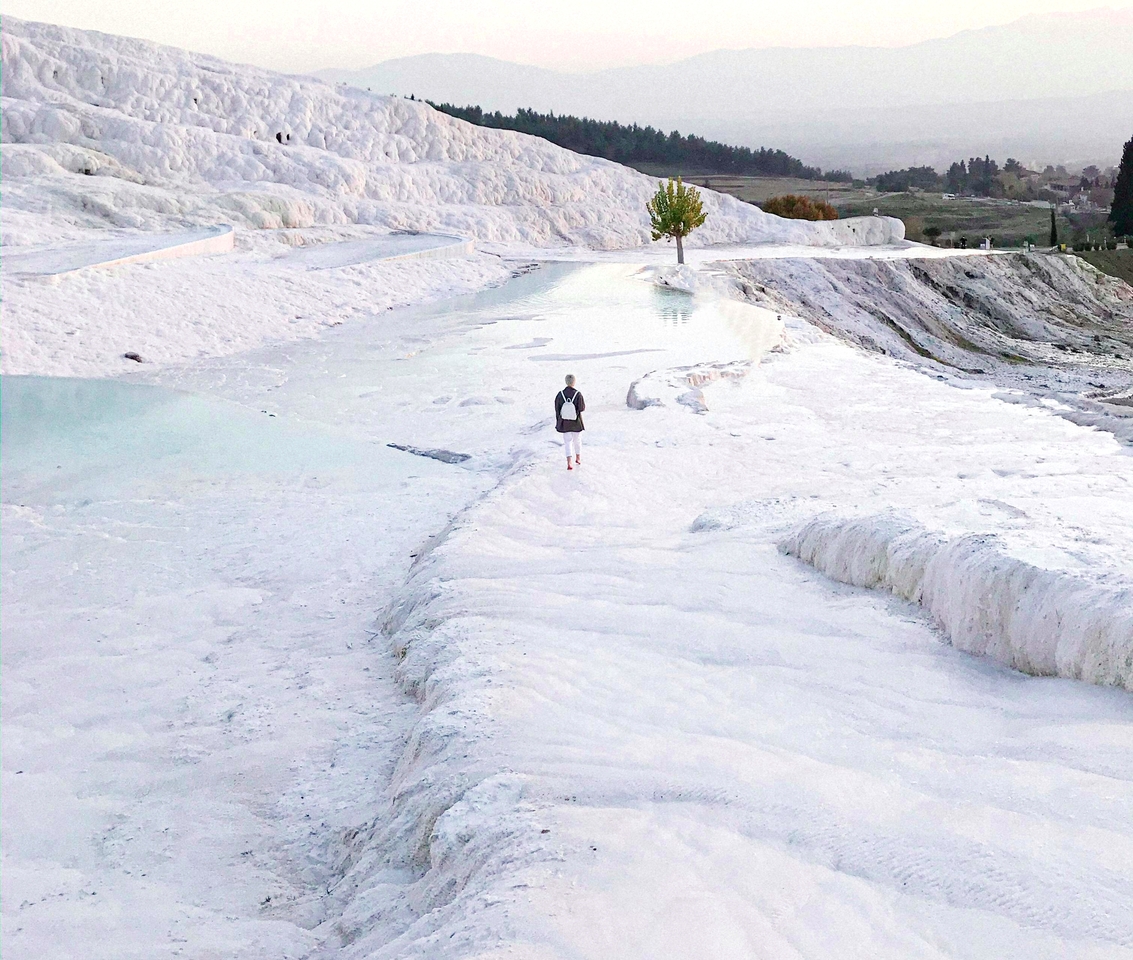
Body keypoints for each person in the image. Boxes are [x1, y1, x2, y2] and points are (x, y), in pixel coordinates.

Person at [555, 374, 585, 471]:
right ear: (574, 382)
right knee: (577, 441)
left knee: (567, 442)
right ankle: (578, 458)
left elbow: (557, 409)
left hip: (565, 423)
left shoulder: (560, 394)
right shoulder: (578, 394)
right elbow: (582, 408)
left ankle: (569, 462)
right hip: (576, 423)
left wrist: (559, 422)